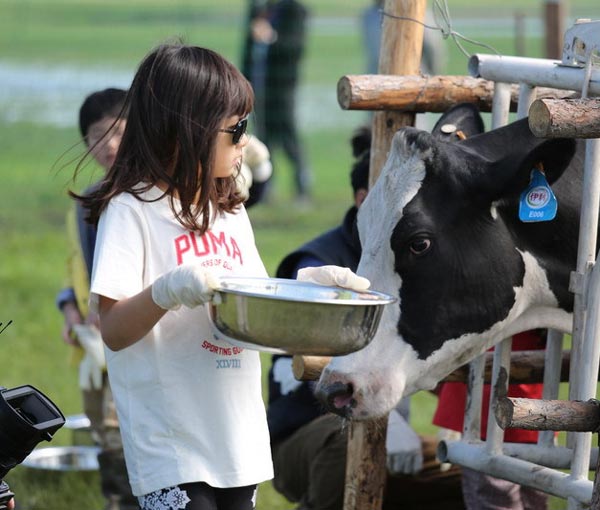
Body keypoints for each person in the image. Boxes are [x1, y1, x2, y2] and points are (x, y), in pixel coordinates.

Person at [71, 43, 283, 510]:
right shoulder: (132, 210)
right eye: (237, 128)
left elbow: (258, 310)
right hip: (172, 444)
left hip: (236, 436)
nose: (245, 141)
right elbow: (114, 329)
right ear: (186, 130)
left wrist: (315, 289)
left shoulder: (229, 210)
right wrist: (165, 291)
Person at [268, 127, 464, 510]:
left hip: (390, 428)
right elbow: (318, 369)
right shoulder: (316, 264)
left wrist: (461, 409)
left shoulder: (412, 260)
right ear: (363, 200)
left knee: (471, 472)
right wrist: (384, 425)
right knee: (351, 441)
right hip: (307, 435)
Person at [56, 87, 138, 510]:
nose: (107, 144)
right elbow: (77, 263)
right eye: (95, 135)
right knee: (101, 422)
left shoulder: (146, 196)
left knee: (130, 424)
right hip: (96, 338)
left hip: (133, 332)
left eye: (118, 131)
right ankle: (119, 501)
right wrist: (70, 307)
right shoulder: (88, 198)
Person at [244, 0, 312, 203]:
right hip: (259, 86)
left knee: (288, 137)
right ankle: (264, 187)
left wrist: (271, 37)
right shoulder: (258, 10)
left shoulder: (295, 10)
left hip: (282, 88)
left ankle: (302, 186)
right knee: (264, 137)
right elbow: (247, 49)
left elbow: (295, 48)